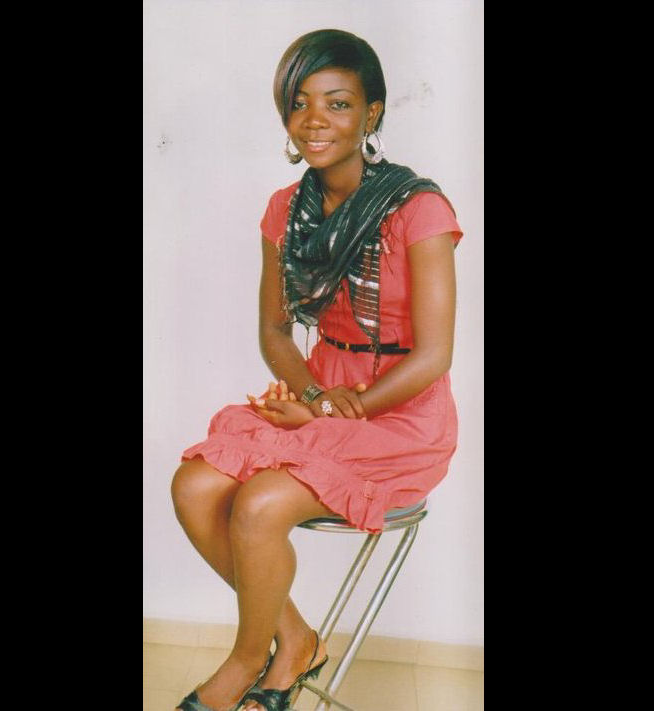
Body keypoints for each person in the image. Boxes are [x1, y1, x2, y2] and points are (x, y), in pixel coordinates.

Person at [172, 28, 463, 711]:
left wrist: (331, 409)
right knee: (194, 485)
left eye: (337, 103)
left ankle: (249, 660)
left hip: (399, 415)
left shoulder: (419, 209)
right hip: (319, 396)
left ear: (371, 113)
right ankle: (296, 639)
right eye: (299, 102)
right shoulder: (285, 209)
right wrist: (310, 396)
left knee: (260, 502)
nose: (313, 120)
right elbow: (275, 331)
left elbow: (434, 356)